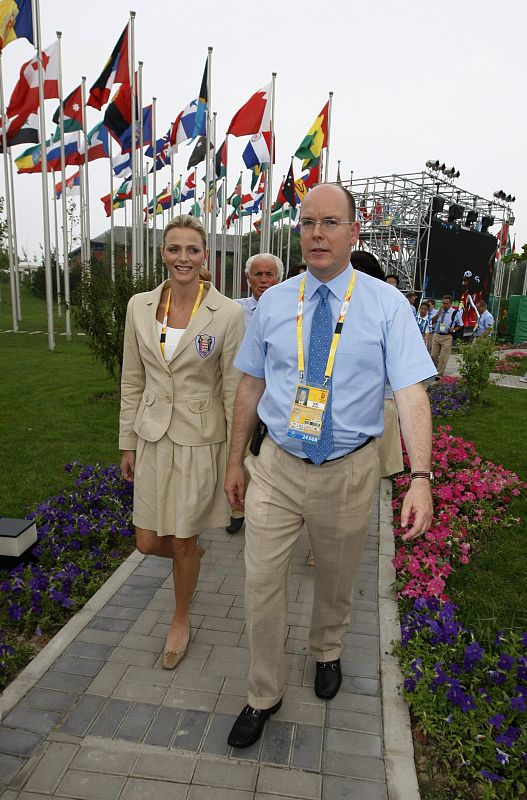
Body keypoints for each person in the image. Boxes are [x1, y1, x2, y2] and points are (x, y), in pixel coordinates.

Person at [224, 183, 435, 749]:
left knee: (337, 579)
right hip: (277, 466)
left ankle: (327, 649)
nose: (317, 233)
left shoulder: (387, 306)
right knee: (260, 583)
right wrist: (235, 461)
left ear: (353, 231)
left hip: (347, 469)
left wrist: (420, 478)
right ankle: (262, 693)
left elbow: (411, 393)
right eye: (308, 223)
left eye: (330, 223)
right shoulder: (274, 303)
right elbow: (249, 385)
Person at [119, 215, 245, 670]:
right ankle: (187, 558)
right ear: (163, 253)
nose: (183, 258)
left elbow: (233, 390)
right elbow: (132, 379)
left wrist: (236, 460)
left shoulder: (226, 313)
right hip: (152, 436)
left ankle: (180, 617)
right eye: (174, 248)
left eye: (192, 249)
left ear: (205, 255)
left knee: (183, 539)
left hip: (199, 440)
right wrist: (127, 442)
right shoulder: (139, 306)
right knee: (147, 541)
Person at [226, 253, 283, 534]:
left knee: (272, 453)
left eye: (269, 274)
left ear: (279, 278)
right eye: (258, 274)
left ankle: (273, 509)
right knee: (241, 447)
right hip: (244, 390)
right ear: (248, 279)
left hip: (278, 395)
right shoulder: (235, 311)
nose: (263, 280)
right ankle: (237, 509)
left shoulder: (292, 310)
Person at [350, 250, 404, 478]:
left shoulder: (389, 308)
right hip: (348, 403)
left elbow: (402, 367)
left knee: (371, 472)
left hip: (379, 400)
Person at [430, 295, 463, 377]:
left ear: (450, 304)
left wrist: (454, 330)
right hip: (437, 335)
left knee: (443, 357)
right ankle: (438, 368)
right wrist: (438, 313)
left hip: (447, 336)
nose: (444, 305)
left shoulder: (455, 313)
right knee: (433, 355)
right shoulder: (439, 311)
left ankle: (439, 374)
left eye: (446, 303)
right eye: (443, 303)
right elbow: (432, 322)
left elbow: (461, 325)